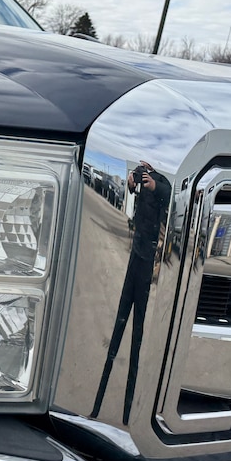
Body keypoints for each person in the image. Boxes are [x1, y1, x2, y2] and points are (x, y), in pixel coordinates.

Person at [91, 161, 171, 425]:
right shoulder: (139, 179)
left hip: (149, 259)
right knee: (118, 327)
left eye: (145, 170)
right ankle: (97, 404)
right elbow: (135, 203)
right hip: (135, 254)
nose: (142, 172)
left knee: (137, 335)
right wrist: (131, 185)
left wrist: (154, 184)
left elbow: (169, 196)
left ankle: (128, 414)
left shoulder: (160, 181)